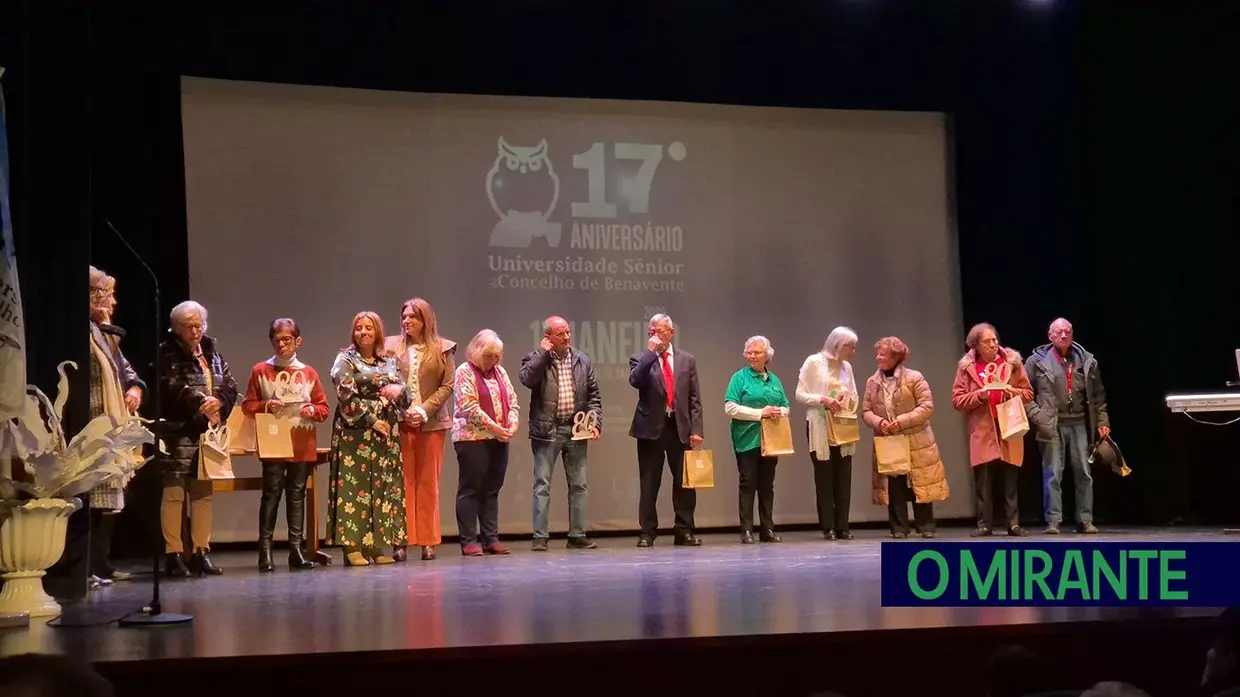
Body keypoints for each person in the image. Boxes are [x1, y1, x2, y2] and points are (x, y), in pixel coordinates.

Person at [155, 300, 238, 577]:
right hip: (179, 433)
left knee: (203, 495)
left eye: (198, 325)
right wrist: (199, 402)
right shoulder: (167, 354)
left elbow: (229, 383)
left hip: (206, 435)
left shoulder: (212, 353)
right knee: (174, 494)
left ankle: (201, 551)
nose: (195, 331)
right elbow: (170, 386)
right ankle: (173, 553)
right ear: (176, 328)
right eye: (189, 326)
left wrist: (220, 402)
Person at [241, 318, 330, 572]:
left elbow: (324, 408)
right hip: (274, 440)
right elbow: (247, 405)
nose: (281, 345)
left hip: (301, 440)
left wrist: (312, 410)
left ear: (297, 342)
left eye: (287, 340)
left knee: (297, 495)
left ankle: (295, 550)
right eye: (277, 340)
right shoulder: (261, 370)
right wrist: (267, 406)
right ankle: (265, 552)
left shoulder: (309, 373)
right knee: (271, 494)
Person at [326, 311, 412, 567]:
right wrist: (372, 420)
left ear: (378, 333)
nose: (363, 332)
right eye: (359, 328)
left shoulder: (388, 361)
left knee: (383, 487)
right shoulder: (345, 359)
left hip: (386, 434)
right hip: (356, 433)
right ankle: (352, 545)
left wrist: (400, 390)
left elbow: (405, 395)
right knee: (354, 488)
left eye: (368, 328)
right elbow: (345, 394)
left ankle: (375, 543)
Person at [383, 298, 457, 562]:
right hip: (400, 421)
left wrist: (424, 410)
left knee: (428, 483)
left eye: (413, 317)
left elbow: (447, 385)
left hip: (432, 423)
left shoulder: (443, 348)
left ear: (425, 320)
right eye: (404, 316)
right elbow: (384, 379)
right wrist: (403, 410)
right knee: (401, 484)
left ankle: (427, 541)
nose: (407, 321)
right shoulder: (391, 346)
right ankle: (400, 540)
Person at [519, 316, 601, 551]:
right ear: (548, 337)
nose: (566, 337)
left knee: (579, 485)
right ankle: (540, 537)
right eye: (560, 334)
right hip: (547, 429)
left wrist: (595, 423)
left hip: (576, 430)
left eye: (568, 332)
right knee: (542, 484)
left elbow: (593, 394)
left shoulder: (581, 359)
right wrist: (543, 355)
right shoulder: (536, 358)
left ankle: (577, 534)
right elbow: (527, 379)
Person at [86, 267, 146, 587]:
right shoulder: (83, 331)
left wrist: (135, 388)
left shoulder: (105, 334)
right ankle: (85, 567)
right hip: (89, 426)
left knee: (110, 498)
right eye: (107, 294)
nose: (113, 301)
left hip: (112, 426)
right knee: (92, 499)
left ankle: (101, 564)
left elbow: (127, 371)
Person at [1025, 318, 1109, 535]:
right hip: (1052, 424)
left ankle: (1085, 519)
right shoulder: (1036, 362)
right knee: (1053, 473)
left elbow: (1099, 396)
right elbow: (1023, 394)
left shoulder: (1086, 361)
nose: (1064, 335)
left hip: (1080, 422)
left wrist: (1102, 422)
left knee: (1084, 472)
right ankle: (1053, 520)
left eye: (1068, 331)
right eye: (1059, 332)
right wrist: (1039, 417)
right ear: (1050, 335)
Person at [861, 336, 949, 539]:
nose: (877, 358)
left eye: (882, 354)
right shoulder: (872, 382)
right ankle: (899, 527)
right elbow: (865, 411)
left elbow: (927, 407)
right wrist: (879, 422)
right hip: (889, 439)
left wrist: (901, 421)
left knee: (921, 480)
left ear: (895, 357)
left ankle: (926, 525)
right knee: (894, 483)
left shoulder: (914, 378)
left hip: (916, 438)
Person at [628, 313, 704, 547]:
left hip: (679, 427)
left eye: (660, 331)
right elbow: (636, 381)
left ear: (671, 333)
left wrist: (697, 429)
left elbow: (694, 398)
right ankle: (647, 532)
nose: (655, 335)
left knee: (684, 483)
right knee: (649, 483)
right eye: (651, 331)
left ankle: (684, 530)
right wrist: (651, 354)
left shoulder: (686, 360)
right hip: (650, 428)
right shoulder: (640, 358)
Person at [951, 323, 1032, 537]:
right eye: (988, 341)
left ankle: (1013, 524)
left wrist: (1010, 391)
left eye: (995, 339)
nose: (994, 344)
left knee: (1010, 479)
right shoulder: (967, 367)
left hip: (1008, 426)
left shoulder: (1012, 363)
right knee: (983, 481)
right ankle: (984, 524)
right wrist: (981, 395)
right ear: (976, 345)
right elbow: (957, 400)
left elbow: (1028, 393)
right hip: (982, 428)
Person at [452, 329, 520, 557]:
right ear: (478, 351)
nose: (493, 360)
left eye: (496, 356)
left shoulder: (500, 372)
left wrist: (512, 424)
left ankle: (491, 538)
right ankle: (469, 540)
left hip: (498, 438)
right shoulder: (464, 371)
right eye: (489, 355)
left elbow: (512, 401)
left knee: (492, 489)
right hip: (472, 438)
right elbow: (469, 407)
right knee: (470, 489)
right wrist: (495, 427)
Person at [795, 326, 860, 540]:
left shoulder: (847, 367)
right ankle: (828, 526)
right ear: (838, 345)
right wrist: (823, 399)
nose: (853, 351)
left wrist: (847, 401)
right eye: (851, 347)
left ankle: (843, 525)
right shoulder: (814, 362)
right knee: (824, 476)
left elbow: (854, 393)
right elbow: (800, 394)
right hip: (820, 425)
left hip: (843, 424)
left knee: (844, 477)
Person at [724, 335, 790, 544]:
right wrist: (760, 413)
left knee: (766, 485)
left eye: (756, 352)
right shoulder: (739, 378)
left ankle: (766, 529)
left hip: (771, 440)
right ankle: (746, 529)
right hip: (747, 439)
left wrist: (778, 411)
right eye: (749, 352)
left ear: (767, 355)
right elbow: (730, 408)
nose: (751, 356)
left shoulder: (775, 379)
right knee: (748, 483)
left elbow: (786, 407)